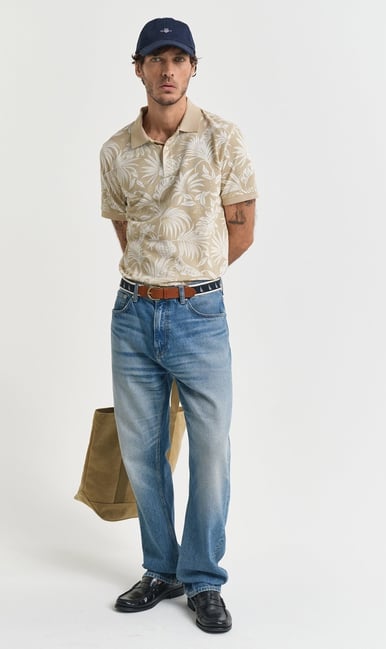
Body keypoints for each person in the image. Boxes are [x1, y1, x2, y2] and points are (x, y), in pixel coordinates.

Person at [99, 17, 258, 634]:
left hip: (200, 314)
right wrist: (156, 279)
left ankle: (203, 578)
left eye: (178, 59)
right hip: (133, 314)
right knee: (142, 454)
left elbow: (241, 231)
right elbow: (127, 229)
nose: (167, 70)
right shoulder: (115, 150)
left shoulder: (222, 138)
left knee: (211, 453)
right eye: (156, 59)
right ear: (138, 67)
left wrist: (190, 281)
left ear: (193, 68)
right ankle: (160, 569)